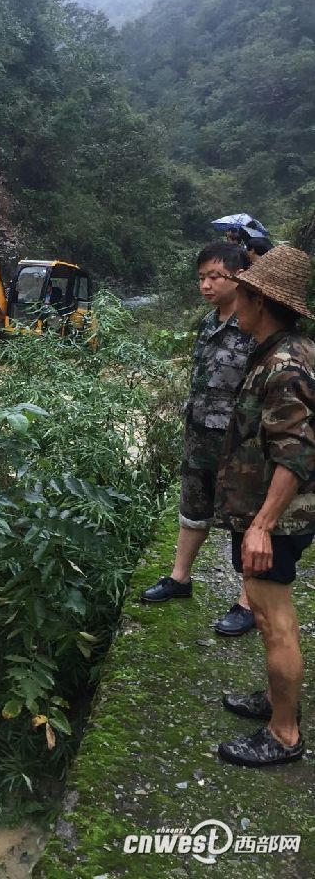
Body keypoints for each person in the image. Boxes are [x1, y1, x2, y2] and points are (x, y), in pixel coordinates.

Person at [214, 245, 315, 766]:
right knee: (266, 612)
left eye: (243, 290)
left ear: (259, 299)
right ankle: (279, 701)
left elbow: (297, 451)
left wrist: (262, 525)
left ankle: (284, 734)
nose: (234, 297)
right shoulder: (287, 348)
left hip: (272, 520)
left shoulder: (282, 364)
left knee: (275, 620)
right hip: (265, 515)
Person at [141, 241, 256, 635]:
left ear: (239, 277)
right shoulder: (209, 322)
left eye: (214, 276)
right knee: (193, 509)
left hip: (237, 442)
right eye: (201, 278)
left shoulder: (256, 325)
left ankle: (248, 601)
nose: (205, 285)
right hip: (199, 432)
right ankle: (180, 579)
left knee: (244, 519)